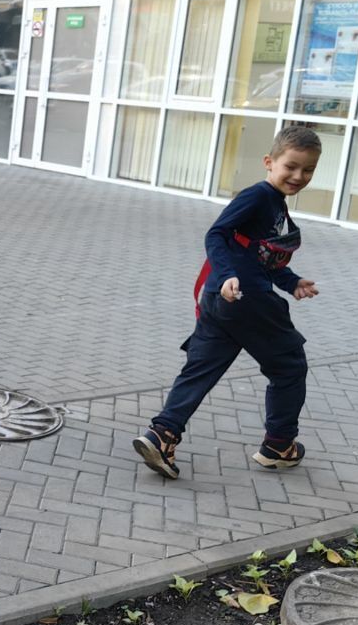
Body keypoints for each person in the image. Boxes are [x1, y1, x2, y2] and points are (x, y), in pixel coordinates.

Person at [134, 125, 322, 481]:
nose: (299, 176)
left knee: (200, 369)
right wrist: (226, 275)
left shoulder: (274, 204)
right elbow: (216, 234)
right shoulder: (258, 196)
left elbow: (258, 254)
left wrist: (291, 281)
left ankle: (162, 435)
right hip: (245, 298)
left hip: (222, 301)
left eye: (308, 169)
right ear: (269, 162)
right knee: (289, 367)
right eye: (291, 166)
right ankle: (280, 445)